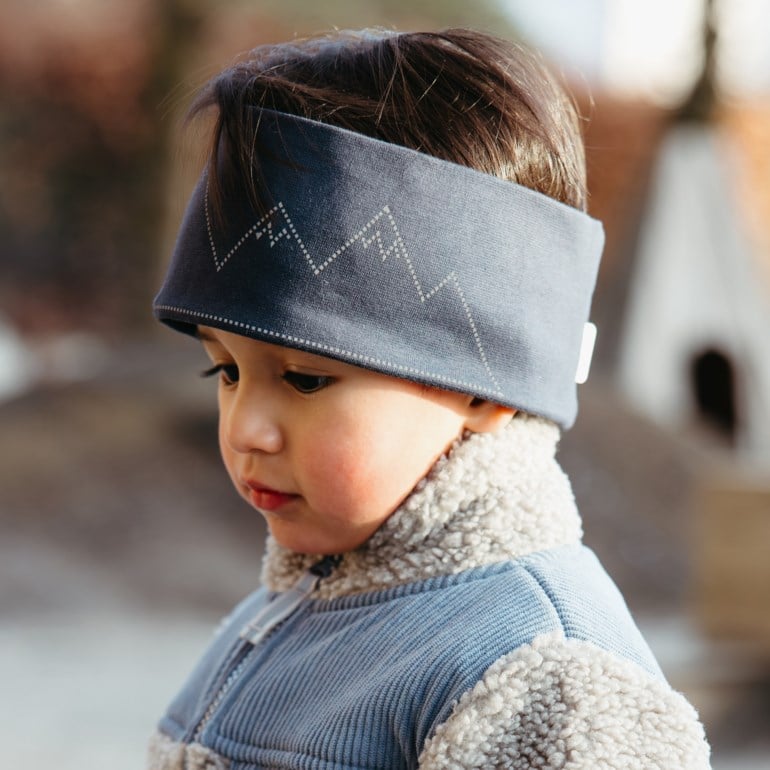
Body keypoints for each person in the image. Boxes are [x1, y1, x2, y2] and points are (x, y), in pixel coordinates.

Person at [148, 28, 711, 769]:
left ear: (485, 387)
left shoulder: (547, 678)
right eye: (224, 371)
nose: (248, 428)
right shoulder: (283, 616)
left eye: (307, 378)